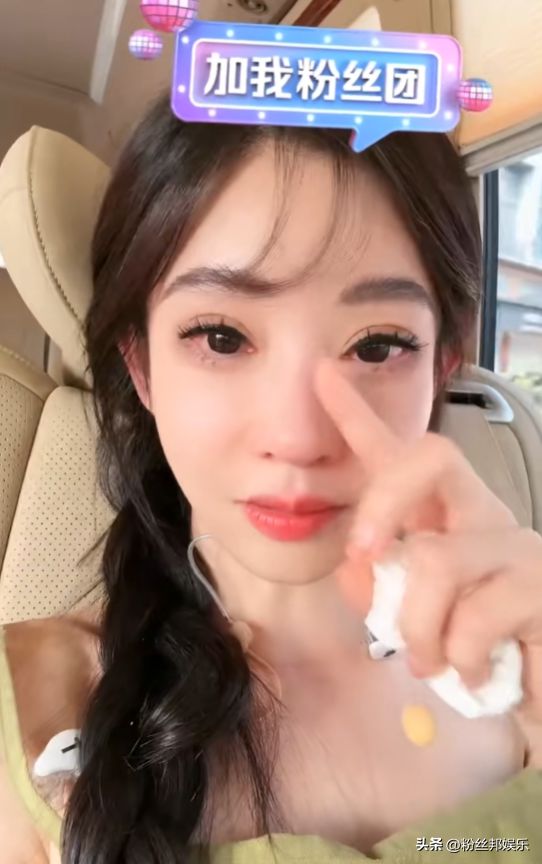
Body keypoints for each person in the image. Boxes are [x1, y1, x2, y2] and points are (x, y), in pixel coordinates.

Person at [1, 91, 542, 864]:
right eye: (221, 337)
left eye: (377, 346)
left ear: (441, 365)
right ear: (142, 366)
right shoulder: (22, 710)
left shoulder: (522, 657)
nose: (297, 439)